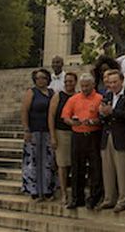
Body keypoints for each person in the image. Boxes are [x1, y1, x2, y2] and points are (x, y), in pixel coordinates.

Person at [61, 73, 103, 209]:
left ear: (93, 85)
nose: (84, 88)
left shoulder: (99, 98)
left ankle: (94, 198)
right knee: (77, 167)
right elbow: (65, 116)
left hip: (93, 135)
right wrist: (72, 121)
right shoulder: (74, 99)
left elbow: (103, 118)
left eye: (87, 86)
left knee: (95, 168)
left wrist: (93, 121)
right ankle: (76, 198)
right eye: (82, 86)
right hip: (77, 135)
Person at [98, 69, 125, 212]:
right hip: (107, 136)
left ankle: (122, 200)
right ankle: (108, 198)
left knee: (122, 171)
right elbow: (103, 115)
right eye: (110, 82)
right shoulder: (107, 95)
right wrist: (102, 113)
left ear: (121, 81)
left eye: (115, 82)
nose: (113, 85)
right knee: (107, 170)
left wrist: (112, 112)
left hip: (121, 137)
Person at [20, 68, 57, 201]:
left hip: (48, 131)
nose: (41, 80)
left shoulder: (52, 93)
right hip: (34, 131)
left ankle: (47, 189)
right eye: (38, 78)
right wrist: (26, 129)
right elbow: (24, 111)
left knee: (48, 161)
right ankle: (33, 190)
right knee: (33, 160)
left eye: (44, 78)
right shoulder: (31, 92)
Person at [48, 71, 78, 206]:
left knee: (74, 164)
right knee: (62, 165)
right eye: (66, 81)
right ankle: (64, 194)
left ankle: (75, 193)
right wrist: (53, 136)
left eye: (71, 81)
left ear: (75, 82)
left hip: (76, 133)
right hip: (61, 133)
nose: (68, 84)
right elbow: (51, 116)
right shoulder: (58, 96)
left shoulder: (78, 96)